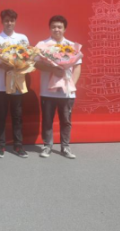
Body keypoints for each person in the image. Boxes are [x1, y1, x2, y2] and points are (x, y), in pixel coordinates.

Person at [35, 15, 82, 159]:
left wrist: (71, 85)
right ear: (49, 28)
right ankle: (47, 146)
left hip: (66, 91)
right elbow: (35, 63)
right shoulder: (42, 45)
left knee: (66, 120)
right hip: (47, 91)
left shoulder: (71, 46)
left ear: (64, 29)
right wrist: (52, 69)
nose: (56, 29)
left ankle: (65, 147)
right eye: (54, 27)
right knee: (47, 120)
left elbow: (77, 67)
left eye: (59, 27)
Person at [0, 9, 30, 158]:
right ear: (2, 22)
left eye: (11, 20)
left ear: (15, 22)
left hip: (17, 83)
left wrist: (20, 64)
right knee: (1, 115)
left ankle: (18, 145)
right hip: (1, 84)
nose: (9, 23)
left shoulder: (22, 38)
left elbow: (28, 57)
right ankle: (0, 145)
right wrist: (2, 65)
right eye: (6, 20)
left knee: (17, 115)